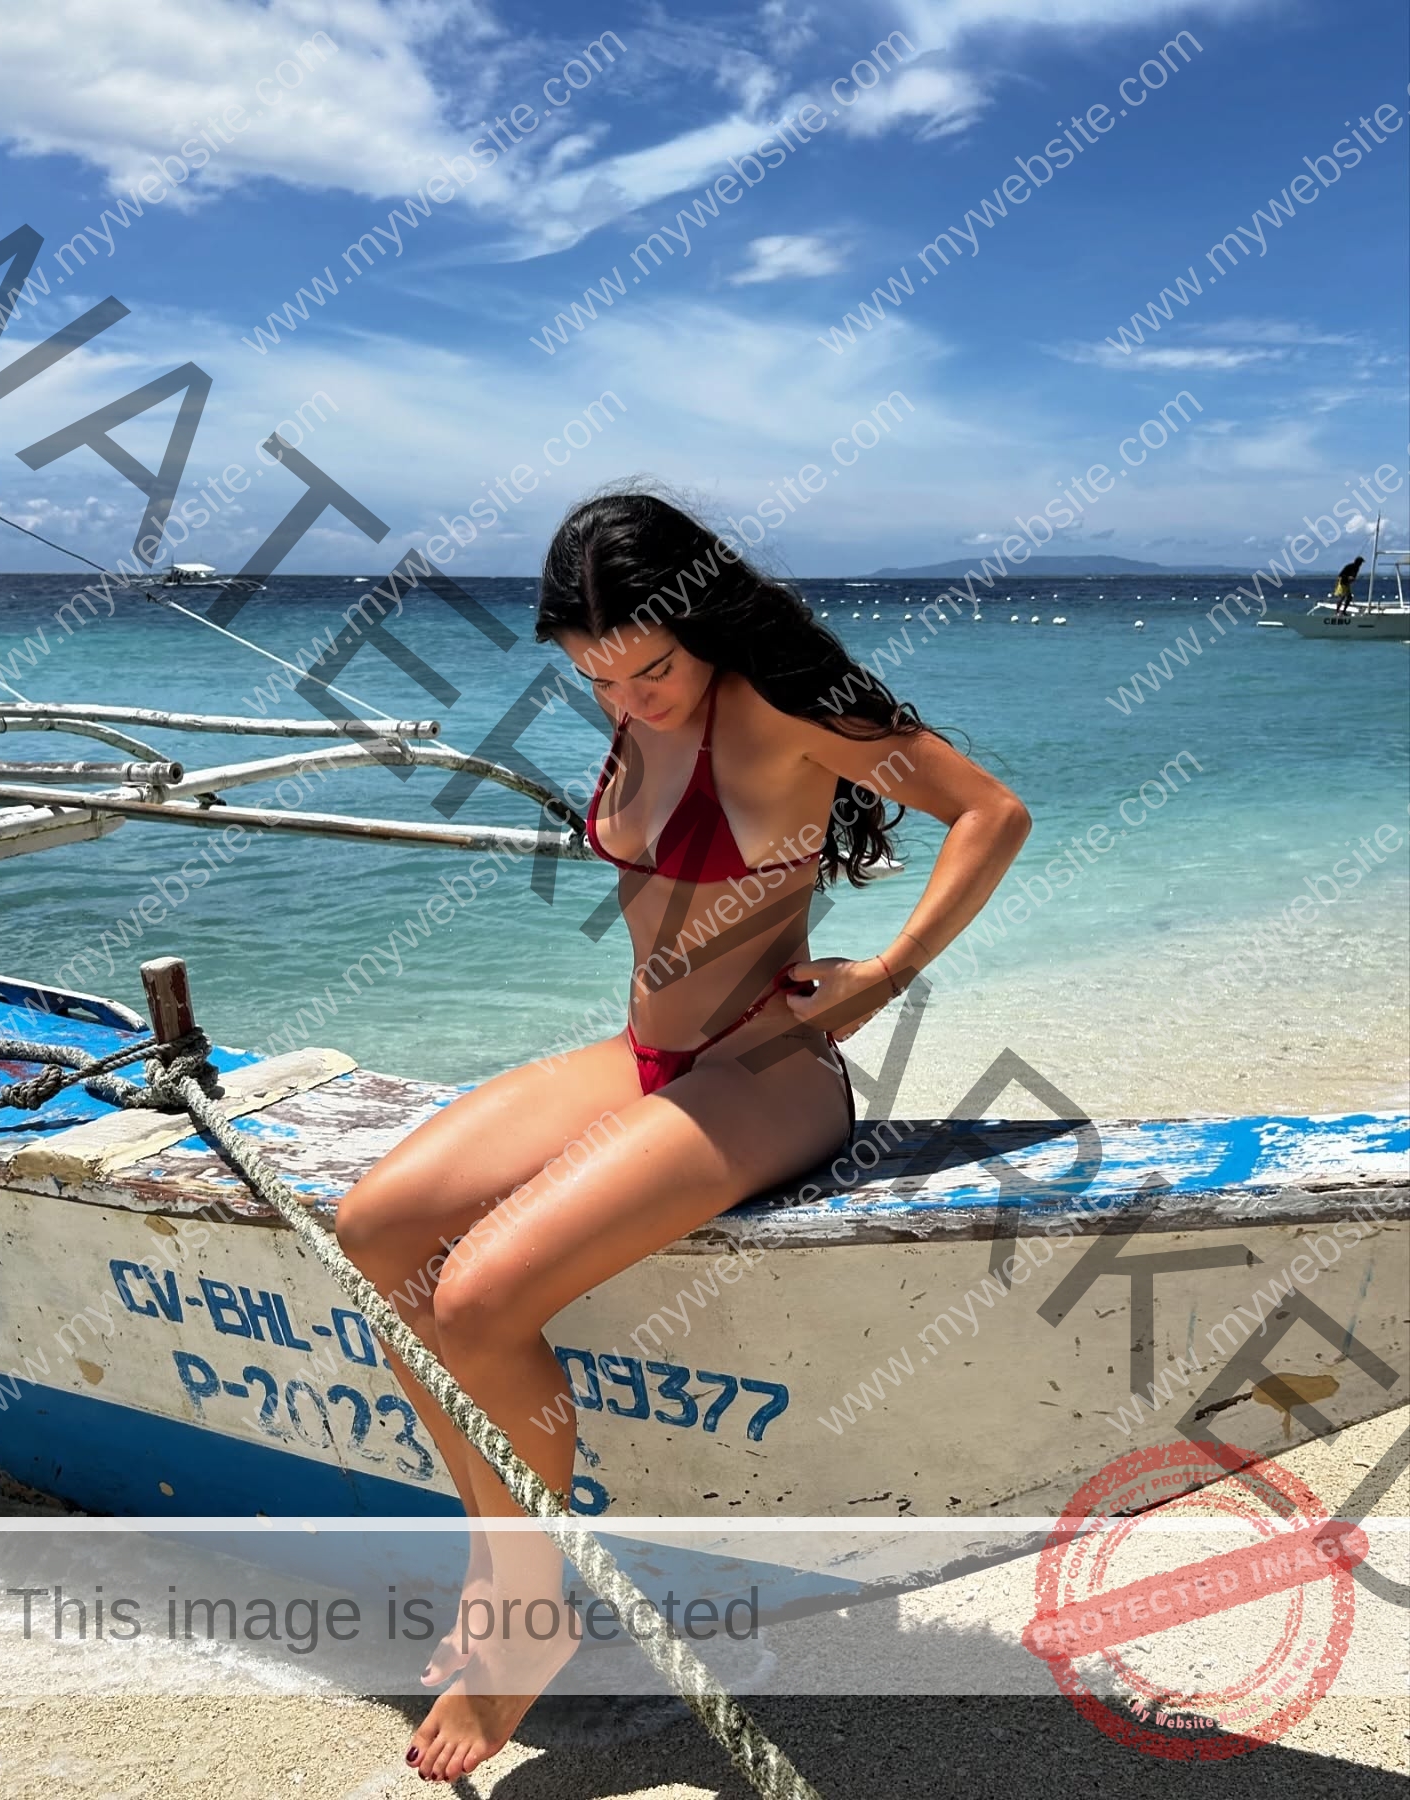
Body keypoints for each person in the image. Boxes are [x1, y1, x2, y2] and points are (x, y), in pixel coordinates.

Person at [334, 491, 1032, 1783]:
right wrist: (619, 694)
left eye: (653, 667)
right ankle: (500, 1560)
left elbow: (991, 814)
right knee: (372, 1231)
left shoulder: (780, 711)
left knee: (478, 1296)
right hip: (649, 1058)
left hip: (767, 1074)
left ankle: (529, 1614)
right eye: (594, 674)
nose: (628, 697)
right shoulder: (630, 700)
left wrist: (886, 976)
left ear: (706, 628)